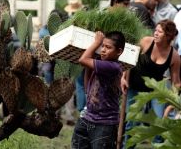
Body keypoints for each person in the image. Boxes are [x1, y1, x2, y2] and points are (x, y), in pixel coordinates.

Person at [122, 19, 181, 148]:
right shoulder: (146, 42)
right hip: (134, 86)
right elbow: (129, 59)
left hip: (155, 90)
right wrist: (123, 77)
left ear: (168, 36)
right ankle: (126, 147)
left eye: (159, 32)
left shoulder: (174, 56)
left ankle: (158, 145)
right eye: (155, 30)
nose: (155, 33)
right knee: (131, 121)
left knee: (160, 122)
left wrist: (175, 101)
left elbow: (176, 82)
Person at [72, 31, 125, 149]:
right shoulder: (100, 64)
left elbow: (83, 60)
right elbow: (87, 88)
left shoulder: (113, 67)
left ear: (119, 51)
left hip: (104, 125)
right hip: (87, 118)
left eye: (108, 47)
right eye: (102, 46)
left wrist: (96, 42)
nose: (103, 50)